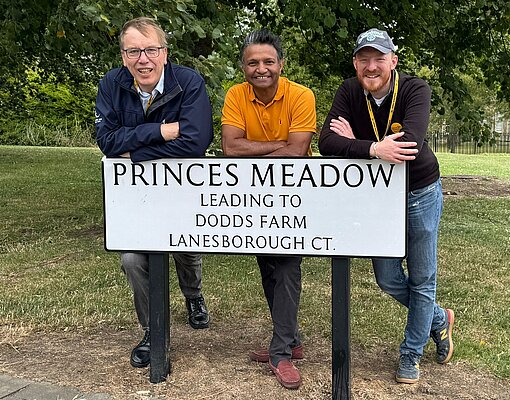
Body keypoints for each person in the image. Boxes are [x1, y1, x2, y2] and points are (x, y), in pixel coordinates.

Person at [318, 28, 455, 384]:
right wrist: (376, 149)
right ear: (355, 63)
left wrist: (358, 143)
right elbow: (326, 142)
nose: (371, 66)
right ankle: (439, 319)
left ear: (393, 61)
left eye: (379, 58)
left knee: (423, 279)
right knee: (388, 278)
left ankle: (411, 353)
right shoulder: (349, 91)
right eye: (364, 59)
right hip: (377, 198)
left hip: (419, 191)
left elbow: (409, 144)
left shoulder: (414, 89)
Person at [95, 17, 213, 369]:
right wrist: (162, 131)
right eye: (133, 51)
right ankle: (152, 330)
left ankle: (193, 297)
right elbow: (105, 140)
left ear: (164, 53)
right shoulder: (111, 84)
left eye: (150, 50)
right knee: (132, 259)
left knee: (186, 249)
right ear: (123, 55)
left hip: (181, 190)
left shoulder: (189, 81)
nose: (142, 59)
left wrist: (134, 153)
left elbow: (195, 142)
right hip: (135, 197)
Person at [221, 28, 316, 390]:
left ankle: (281, 353)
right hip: (253, 195)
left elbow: (299, 151)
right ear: (244, 67)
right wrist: (281, 143)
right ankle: (290, 339)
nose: (261, 69)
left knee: (288, 267)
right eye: (253, 62)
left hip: (294, 194)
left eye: (268, 61)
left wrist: (260, 145)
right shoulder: (235, 95)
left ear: (281, 64)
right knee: (267, 266)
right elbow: (231, 148)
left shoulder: (301, 95)